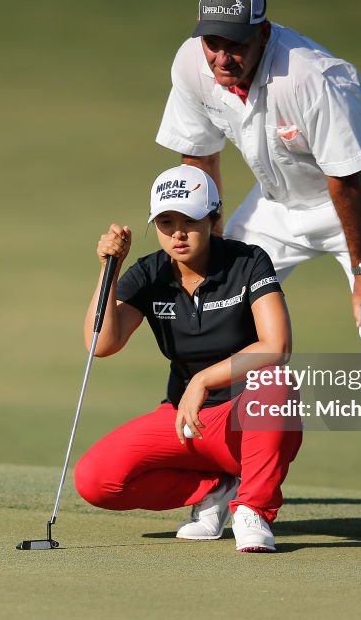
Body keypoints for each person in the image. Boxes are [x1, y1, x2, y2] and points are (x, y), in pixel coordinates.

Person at [155, 0, 361, 536]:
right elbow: (201, 160)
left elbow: (346, 180)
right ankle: (224, 477)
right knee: (215, 306)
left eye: (236, 43)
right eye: (213, 41)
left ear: (263, 33)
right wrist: (204, 251)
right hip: (278, 202)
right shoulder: (193, 63)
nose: (222, 55)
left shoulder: (311, 75)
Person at [73, 165, 302, 552]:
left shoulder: (247, 262)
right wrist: (107, 270)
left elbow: (276, 345)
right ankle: (214, 491)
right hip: (185, 421)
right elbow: (102, 344)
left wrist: (202, 380)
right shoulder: (149, 273)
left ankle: (254, 509)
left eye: (190, 220)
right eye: (166, 222)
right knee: (96, 480)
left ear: (214, 217)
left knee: (275, 381)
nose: (178, 233)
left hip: (245, 421)